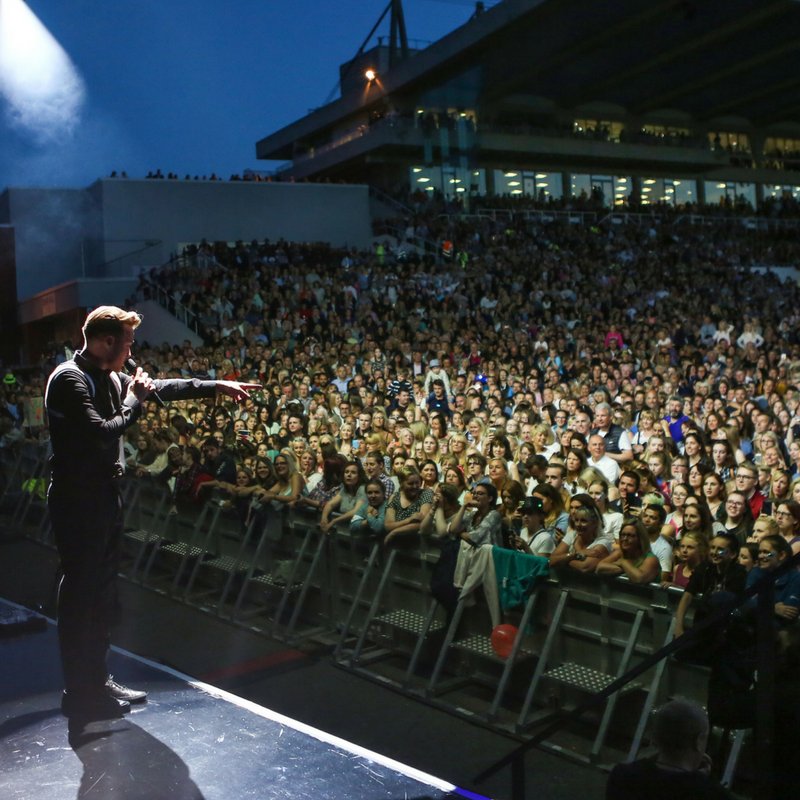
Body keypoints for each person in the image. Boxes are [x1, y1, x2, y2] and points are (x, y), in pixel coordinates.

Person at [45, 306, 258, 719]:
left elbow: (165, 387)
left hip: (104, 494)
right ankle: (79, 689)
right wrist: (133, 400)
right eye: (127, 342)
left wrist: (216, 385)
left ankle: (97, 677)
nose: (132, 350)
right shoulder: (70, 379)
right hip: (78, 499)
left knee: (103, 594)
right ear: (106, 342)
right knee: (82, 595)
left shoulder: (108, 374)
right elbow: (101, 431)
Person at [605, 699, 733, 799]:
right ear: (699, 741)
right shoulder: (713, 794)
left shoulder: (622, 777)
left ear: (655, 737)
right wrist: (701, 781)